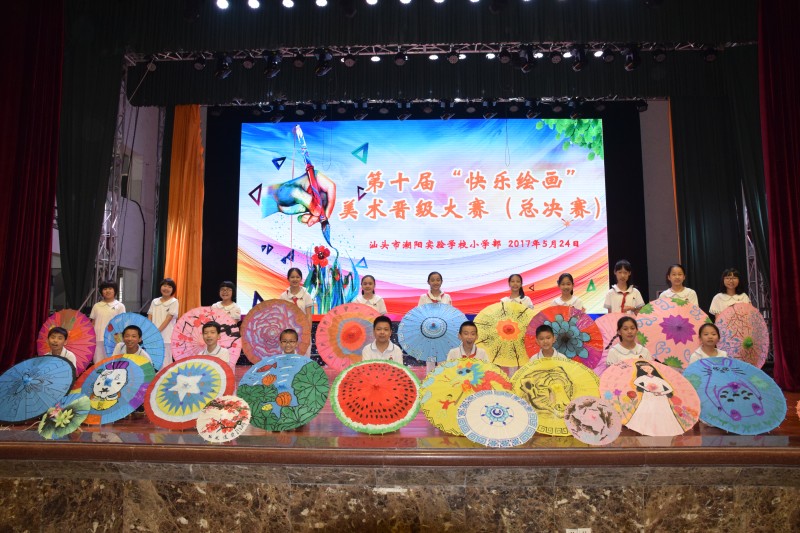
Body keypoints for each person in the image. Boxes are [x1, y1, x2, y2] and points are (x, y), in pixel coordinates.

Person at [625, 360, 685, 436]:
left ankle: (662, 430)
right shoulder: (643, 378)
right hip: (649, 396)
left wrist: (661, 393)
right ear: (642, 370)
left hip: (661, 398)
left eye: (649, 368)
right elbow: (636, 382)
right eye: (644, 369)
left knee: (662, 412)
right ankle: (648, 430)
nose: (647, 370)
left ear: (653, 368)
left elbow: (670, 389)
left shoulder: (659, 379)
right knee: (649, 410)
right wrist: (645, 388)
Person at [89, 280, 126, 364]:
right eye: (105, 289)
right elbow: (93, 323)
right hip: (97, 339)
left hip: (112, 340)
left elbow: (122, 324)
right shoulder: (97, 306)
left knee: (111, 363)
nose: (107, 291)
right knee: (98, 363)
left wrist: (119, 339)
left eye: (110, 288)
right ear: (101, 291)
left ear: (115, 290)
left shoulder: (120, 306)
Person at [148, 278, 179, 366]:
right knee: (153, 360)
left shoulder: (174, 301)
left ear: (173, 289)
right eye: (164, 286)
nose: (166, 288)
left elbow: (168, 319)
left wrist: (157, 331)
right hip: (153, 335)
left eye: (169, 287)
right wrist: (150, 330)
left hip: (167, 336)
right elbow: (150, 315)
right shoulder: (155, 301)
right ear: (161, 287)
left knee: (166, 361)